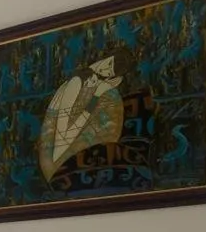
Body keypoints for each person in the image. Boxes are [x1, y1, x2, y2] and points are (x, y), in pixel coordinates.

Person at [38, 47, 135, 182]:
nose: (105, 70)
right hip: (53, 151)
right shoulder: (77, 82)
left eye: (110, 72)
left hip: (66, 151)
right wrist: (97, 94)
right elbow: (63, 138)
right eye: (108, 63)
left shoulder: (93, 82)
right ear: (106, 56)